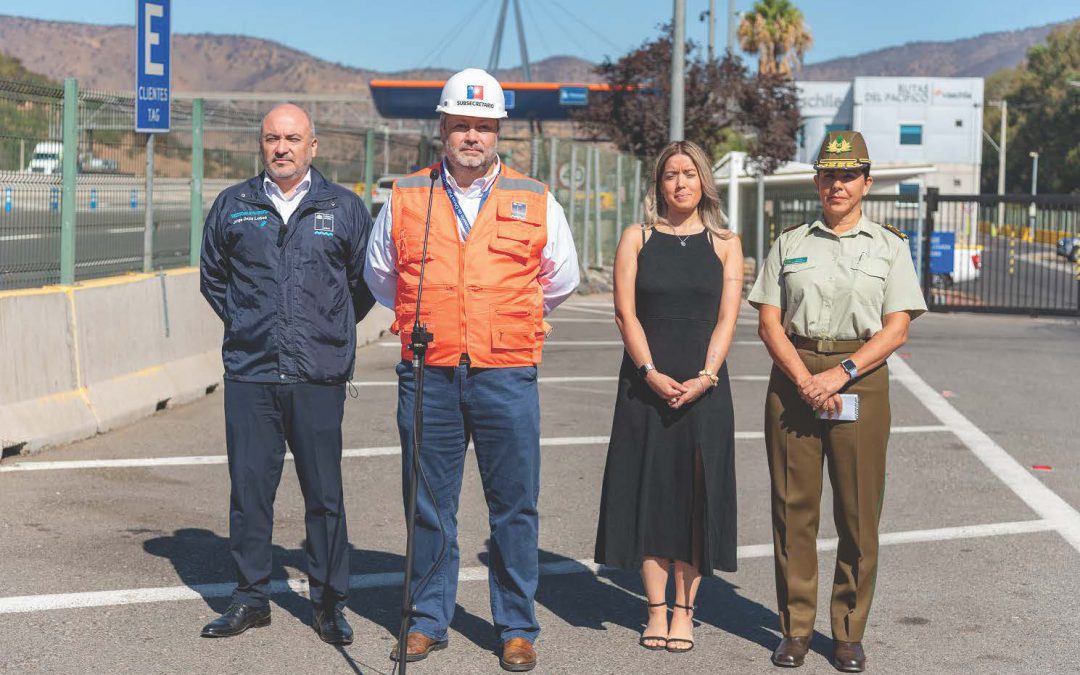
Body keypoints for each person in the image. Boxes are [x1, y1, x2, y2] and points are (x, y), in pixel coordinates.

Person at [363, 68, 579, 672]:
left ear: (498, 132)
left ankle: (516, 625)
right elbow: (382, 275)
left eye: (483, 126)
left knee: (514, 503)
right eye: (461, 125)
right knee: (429, 502)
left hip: (505, 370)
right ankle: (428, 619)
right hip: (428, 369)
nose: (472, 137)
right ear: (443, 128)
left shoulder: (535, 199)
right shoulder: (407, 196)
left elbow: (559, 279)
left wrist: (499, 315)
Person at [747, 131, 927, 672]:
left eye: (848, 175)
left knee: (857, 511)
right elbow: (768, 322)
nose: (837, 184)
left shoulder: (889, 246)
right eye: (828, 174)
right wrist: (806, 378)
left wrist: (841, 373)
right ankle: (796, 629)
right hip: (794, 376)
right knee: (792, 511)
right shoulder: (790, 241)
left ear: (866, 183)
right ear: (816, 181)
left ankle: (848, 630)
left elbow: (896, 330)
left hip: (860, 378)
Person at [199, 103, 376, 645]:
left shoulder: (343, 208)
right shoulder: (234, 205)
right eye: (273, 138)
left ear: (313, 146)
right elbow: (214, 279)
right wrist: (253, 326)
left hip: (318, 374)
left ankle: (328, 603)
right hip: (251, 373)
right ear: (261, 144)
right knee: (250, 490)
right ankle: (251, 597)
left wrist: (325, 330)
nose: (282, 147)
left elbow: (363, 284)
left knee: (324, 495)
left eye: (293, 138)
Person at [594, 140, 744, 654]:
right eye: (670, 175)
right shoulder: (636, 238)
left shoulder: (726, 242)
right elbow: (625, 314)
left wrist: (707, 375)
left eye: (689, 173)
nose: (679, 183)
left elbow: (728, 318)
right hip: (645, 386)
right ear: (658, 184)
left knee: (695, 499)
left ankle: (685, 611)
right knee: (650, 492)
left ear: (704, 181)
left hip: (705, 388)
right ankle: (655, 609)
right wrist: (650, 371)